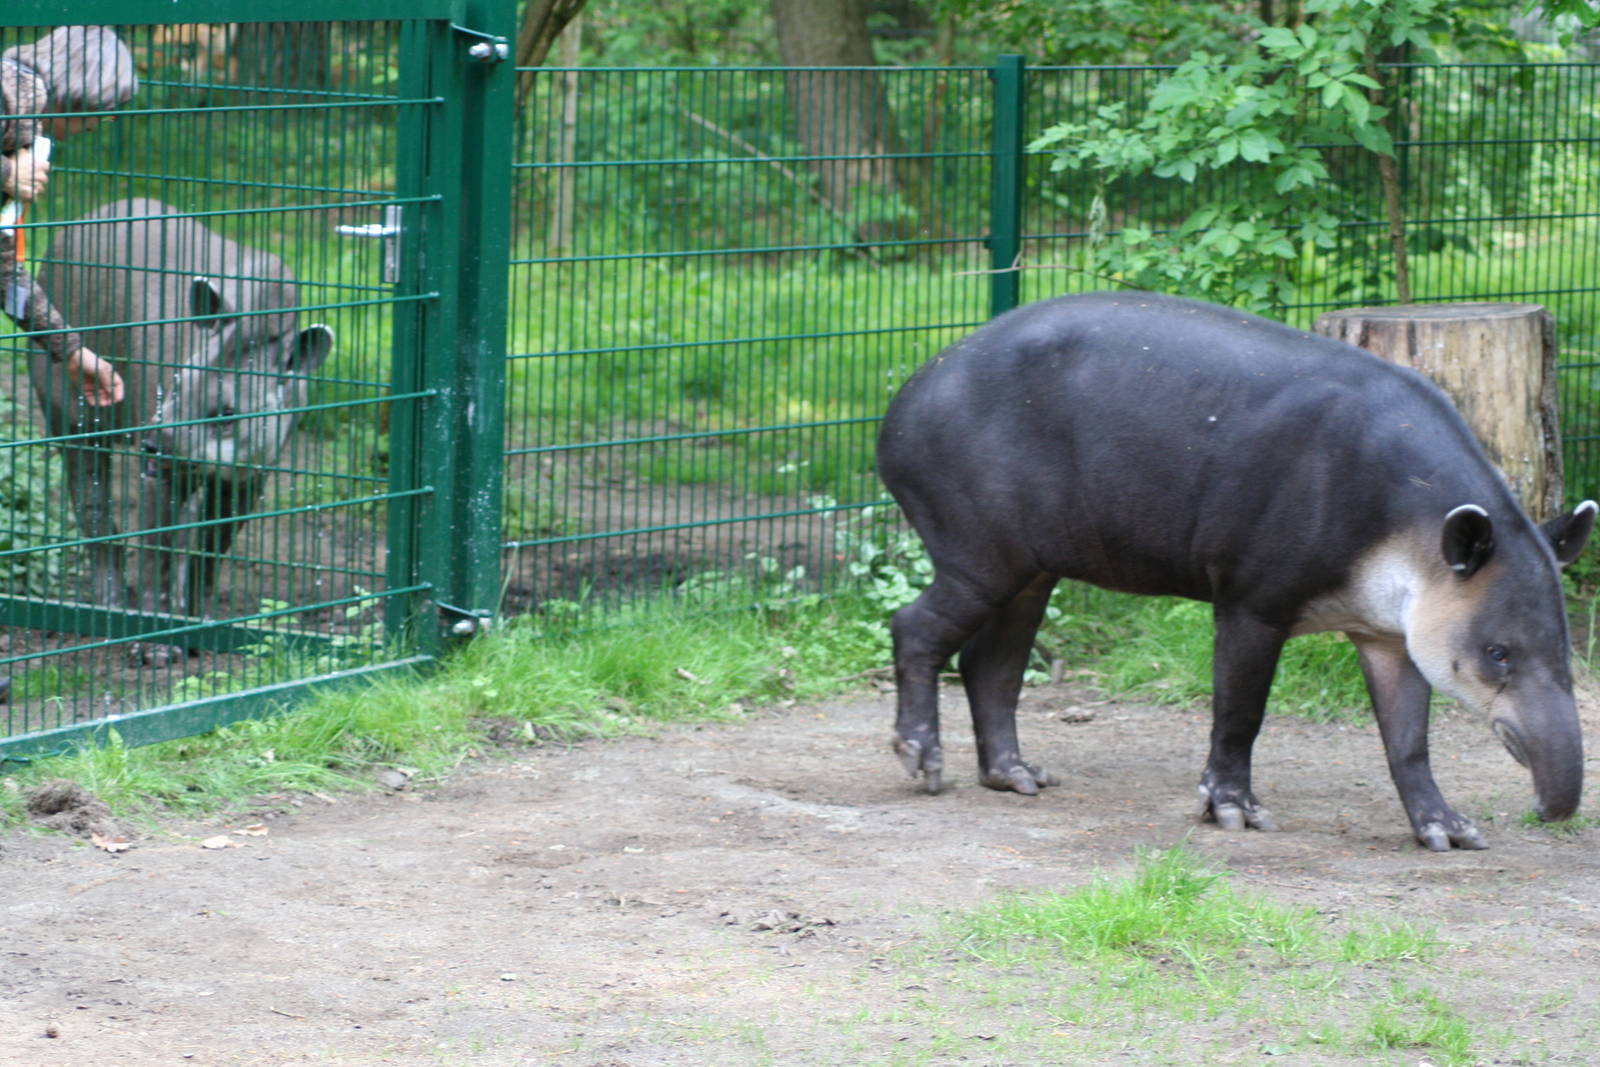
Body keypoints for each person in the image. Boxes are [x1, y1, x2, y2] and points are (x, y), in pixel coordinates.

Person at [0, 25, 138, 408]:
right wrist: (10, 175)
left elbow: (2, 267)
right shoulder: (8, 92)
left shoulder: (26, 128)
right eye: (106, 112)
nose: (97, 125)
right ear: (87, 94)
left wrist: (72, 353)